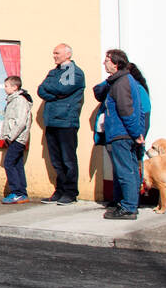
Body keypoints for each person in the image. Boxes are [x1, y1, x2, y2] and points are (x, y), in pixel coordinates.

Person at [98, 49, 149, 220]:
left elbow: (126, 111)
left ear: (116, 63)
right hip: (126, 133)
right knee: (130, 170)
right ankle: (128, 204)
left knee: (125, 171)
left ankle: (128, 207)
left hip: (122, 134)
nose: (104, 63)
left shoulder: (122, 83)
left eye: (107, 60)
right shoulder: (124, 81)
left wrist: (136, 133)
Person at [36, 43, 86, 205]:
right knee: (56, 159)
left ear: (67, 54)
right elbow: (41, 89)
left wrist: (52, 90)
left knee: (68, 159)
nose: (54, 56)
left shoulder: (75, 72)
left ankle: (70, 192)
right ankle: (60, 190)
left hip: (66, 121)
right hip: (51, 120)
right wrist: (53, 94)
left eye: (57, 53)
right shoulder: (53, 72)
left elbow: (62, 89)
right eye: (54, 53)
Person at [0, 75, 33, 204]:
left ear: (15, 87)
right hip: (15, 138)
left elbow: (20, 122)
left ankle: (17, 192)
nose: (5, 88)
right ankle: (21, 193)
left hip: (18, 139)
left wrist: (10, 137)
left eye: (7, 86)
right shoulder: (12, 100)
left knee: (9, 163)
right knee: (17, 164)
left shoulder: (20, 101)